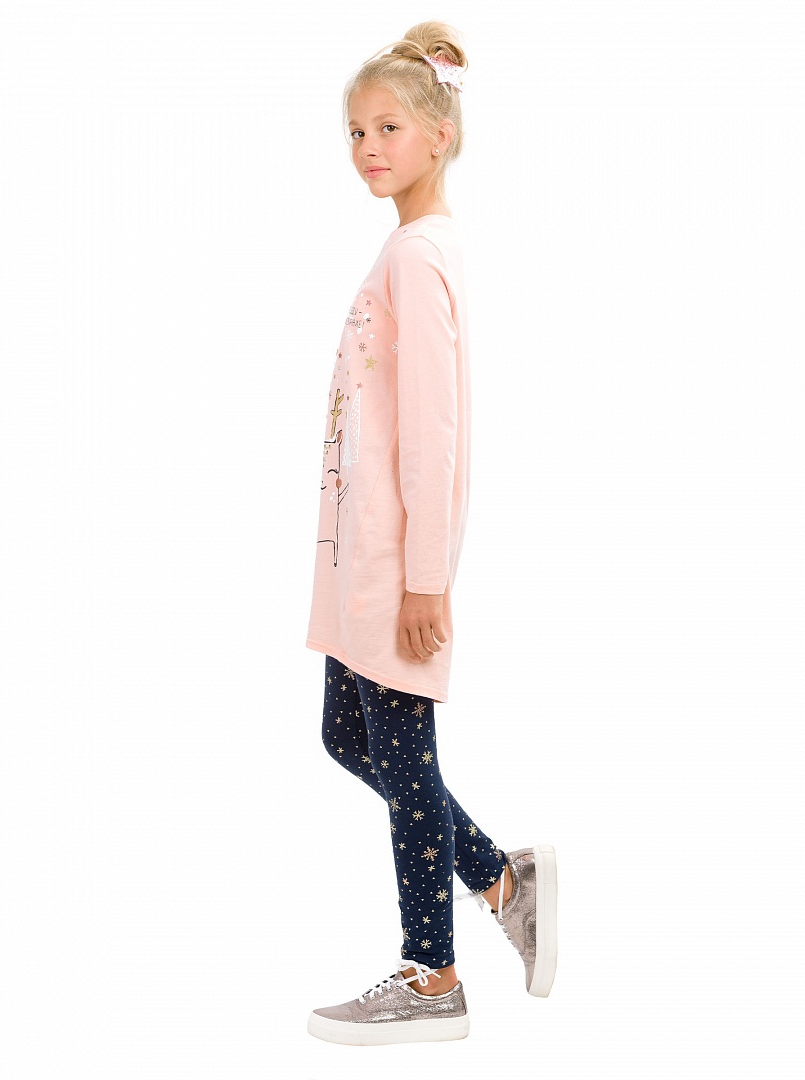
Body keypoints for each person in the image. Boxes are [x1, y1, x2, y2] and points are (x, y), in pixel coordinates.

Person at [305, 21, 558, 1046]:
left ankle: (432, 974)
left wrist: (424, 578)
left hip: (392, 561)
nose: (368, 146)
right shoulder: (406, 247)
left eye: (389, 127)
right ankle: (502, 879)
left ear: (441, 135)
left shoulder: (419, 255)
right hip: (360, 555)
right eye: (355, 130)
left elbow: (435, 430)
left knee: (405, 756)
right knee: (347, 736)